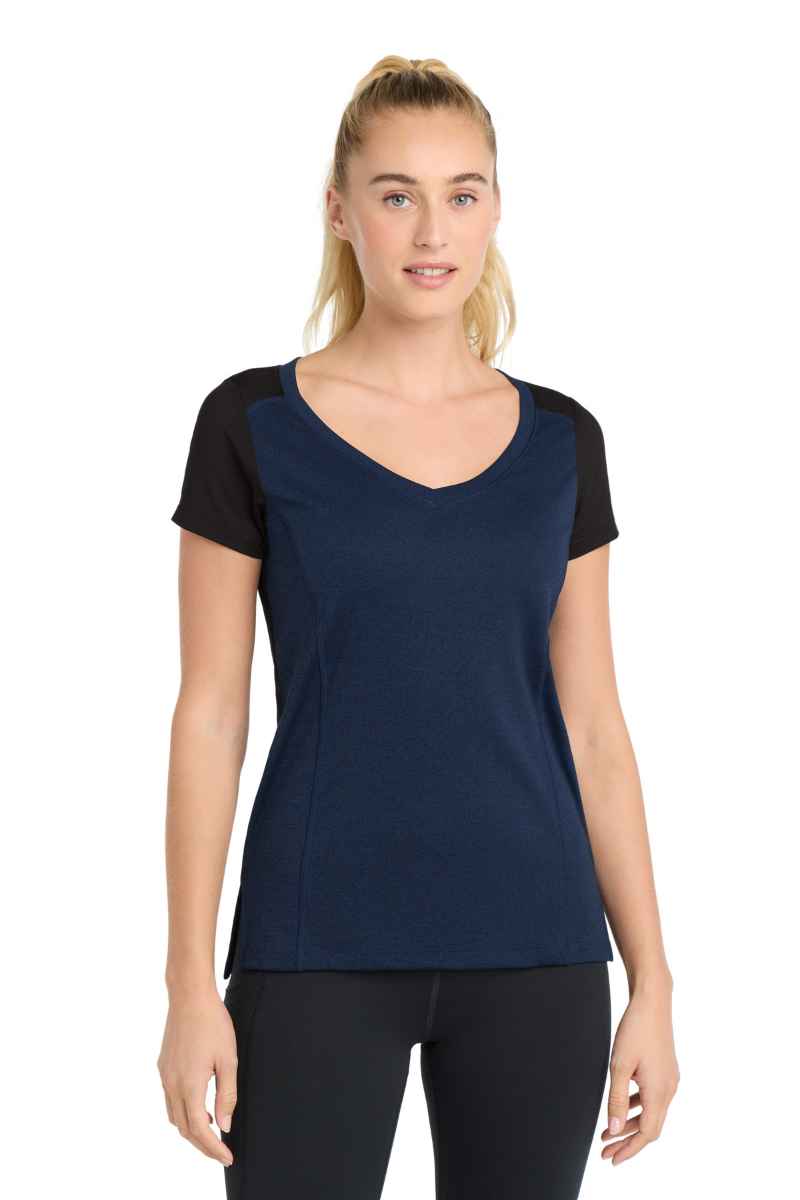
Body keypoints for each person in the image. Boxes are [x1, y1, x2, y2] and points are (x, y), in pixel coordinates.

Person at [157, 55, 679, 1200]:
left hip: (538, 946)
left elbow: (593, 726)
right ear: (340, 212)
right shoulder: (252, 423)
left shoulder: (561, 441)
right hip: (314, 944)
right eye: (395, 194)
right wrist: (189, 984)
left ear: (493, 209)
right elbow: (211, 715)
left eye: (461, 193)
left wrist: (651, 981)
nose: (430, 230)